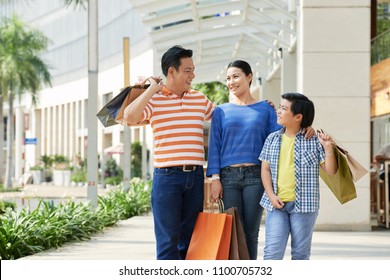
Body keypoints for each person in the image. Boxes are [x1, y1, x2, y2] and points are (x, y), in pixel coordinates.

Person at [206, 60, 315, 260]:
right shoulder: (220, 111)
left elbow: (284, 134)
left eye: (236, 76)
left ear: (249, 77)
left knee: (250, 233)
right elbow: (215, 147)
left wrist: (306, 128)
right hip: (228, 177)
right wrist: (215, 179)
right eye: (228, 78)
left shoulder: (265, 109)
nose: (231, 82)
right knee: (230, 232)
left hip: (256, 177)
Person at [123, 45, 215, 260]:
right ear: (171, 71)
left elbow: (225, 119)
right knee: (167, 244)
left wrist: (262, 107)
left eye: (193, 69)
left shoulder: (199, 99)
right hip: (166, 178)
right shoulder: (153, 100)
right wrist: (150, 90)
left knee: (190, 242)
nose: (193, 75)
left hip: (195, 176)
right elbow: (129, 117)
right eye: (187, 70)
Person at [259, 92, 337, 260]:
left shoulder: (314, 141)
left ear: (298, 117)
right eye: (280, 107)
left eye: (284, 108)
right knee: (271, 254)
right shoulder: (272, 139)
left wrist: (328, 148)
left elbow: (330, 170)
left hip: (305, 207)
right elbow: (265, 169)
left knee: (300, 255)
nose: (279, 111)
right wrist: (271, 196)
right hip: (275, 205)